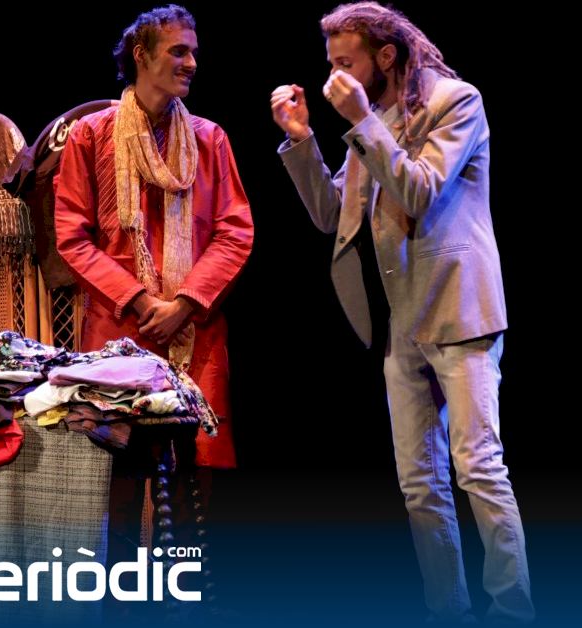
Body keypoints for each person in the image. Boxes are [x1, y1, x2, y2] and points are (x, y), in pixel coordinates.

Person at [270, 3, 533, 623]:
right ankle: (448, 611)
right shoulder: (378, 119)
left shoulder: (455, 102)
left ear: (385, 56)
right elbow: (333, 215)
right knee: (419, 484)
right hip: (400, 321)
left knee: (478, 467)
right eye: (330, 63)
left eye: (346, 62)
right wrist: (303, 139)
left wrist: (361, 119)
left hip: (459, 311)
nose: (335, 77)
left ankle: (513, 611)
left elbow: (418, 190)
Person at [53, 3, 254, 575]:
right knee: (115, 471)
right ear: (141, 55)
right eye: (178, 51)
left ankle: (186, 589)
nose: (192, 62)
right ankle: (121, 595)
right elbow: (72, 235)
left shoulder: (209, 139)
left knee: (195, 473)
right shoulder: (92, 136)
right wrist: (143, 302)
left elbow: (235, 230)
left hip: (195, 328)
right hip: (120, 328)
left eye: (194, 52)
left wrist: (184, 304)